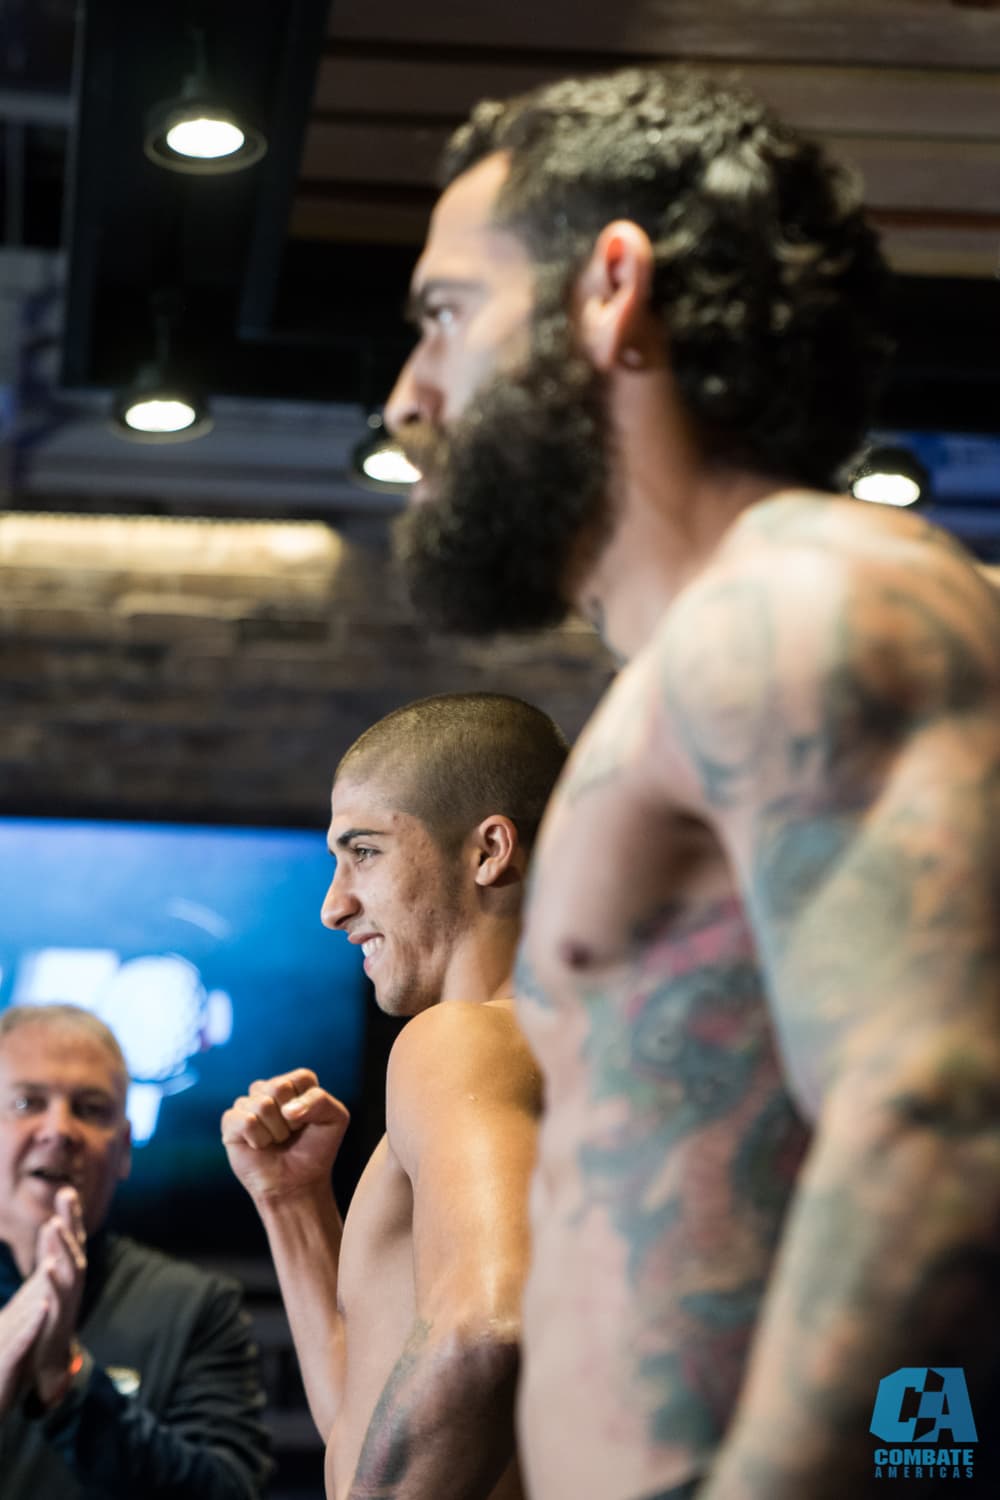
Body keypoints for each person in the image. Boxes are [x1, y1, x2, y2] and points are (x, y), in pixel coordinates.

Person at [384, 67, 1000, 1500]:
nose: (412, 396)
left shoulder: (809, 603)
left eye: (447, 315)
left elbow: (940, 1126)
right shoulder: (690, 674)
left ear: (611, 289)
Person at [222, 692, 569, 1500]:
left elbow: (486, 1328)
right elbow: (369, 1421)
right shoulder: (544, 1053)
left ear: (488, 849)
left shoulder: (459, 1040)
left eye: (364, 852)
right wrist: (292, 1203)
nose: (334, 904)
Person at [0, 1002, 271, 1499]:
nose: (59, 1130)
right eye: (27, 1103)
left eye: (89, 1109)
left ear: (123, 1148)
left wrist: (67, 1383)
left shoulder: (194, 1308)